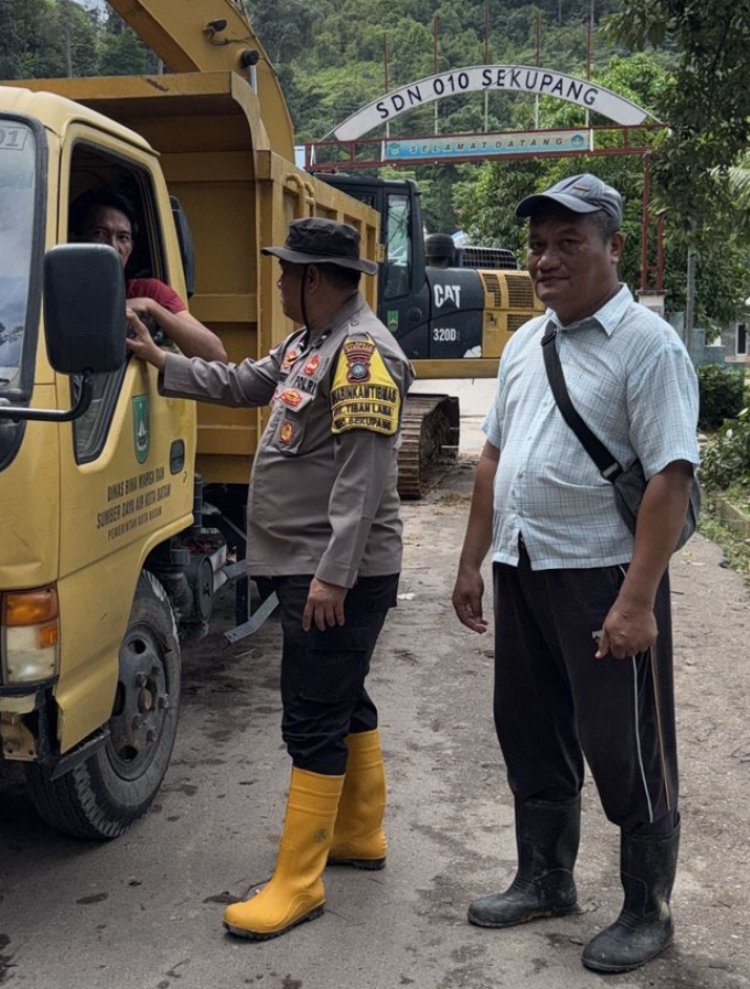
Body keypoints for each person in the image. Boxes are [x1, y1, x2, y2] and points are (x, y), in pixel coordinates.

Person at [127, 216, 413, 941]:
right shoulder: (311, 343)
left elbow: (363, 478)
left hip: (333, 570)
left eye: (287, 272)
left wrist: (332, 576)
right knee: (341, 696)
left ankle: (299, 881)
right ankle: (358, 833)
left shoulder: (360, 355)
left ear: (315, 279)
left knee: (311, 713)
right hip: (315, 564)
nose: (280, 281)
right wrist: (162, 360)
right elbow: (247, 380)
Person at [452, 174, 699, 974]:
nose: (546, 260)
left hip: (603, 576)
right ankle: (546, 877)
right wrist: (471, 563)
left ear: (613, 247)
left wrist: (638, 601)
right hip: (525, 566)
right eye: (538, 245)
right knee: (529, 728)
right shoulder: (529, 340)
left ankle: (645, 908)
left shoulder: (648, 346)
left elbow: (670, 476)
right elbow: (493, 455)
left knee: (625, 744)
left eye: (568, 243)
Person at [70, 190, 226, 362]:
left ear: (131, 247)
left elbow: (216, 355)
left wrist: (150, 306)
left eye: (123, 237)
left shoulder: (147, 291)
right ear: (76, 240)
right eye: (99, 233)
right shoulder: (57, 289)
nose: (112, 246)